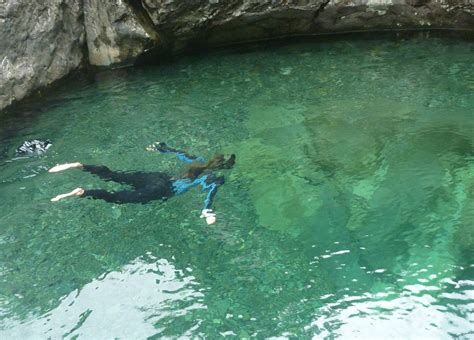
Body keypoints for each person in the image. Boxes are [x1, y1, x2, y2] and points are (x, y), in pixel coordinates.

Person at [49, 142, 236, 225]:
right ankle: (83, 192)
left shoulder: (199, 160)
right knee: (115, 197)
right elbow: (211, 191)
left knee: (114, 175)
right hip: (162, 189)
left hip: (157, 177)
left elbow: (177, 153)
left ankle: (80, 166)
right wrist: (207, 211)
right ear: (224, 168)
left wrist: (160, 147)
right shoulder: (213, 177)